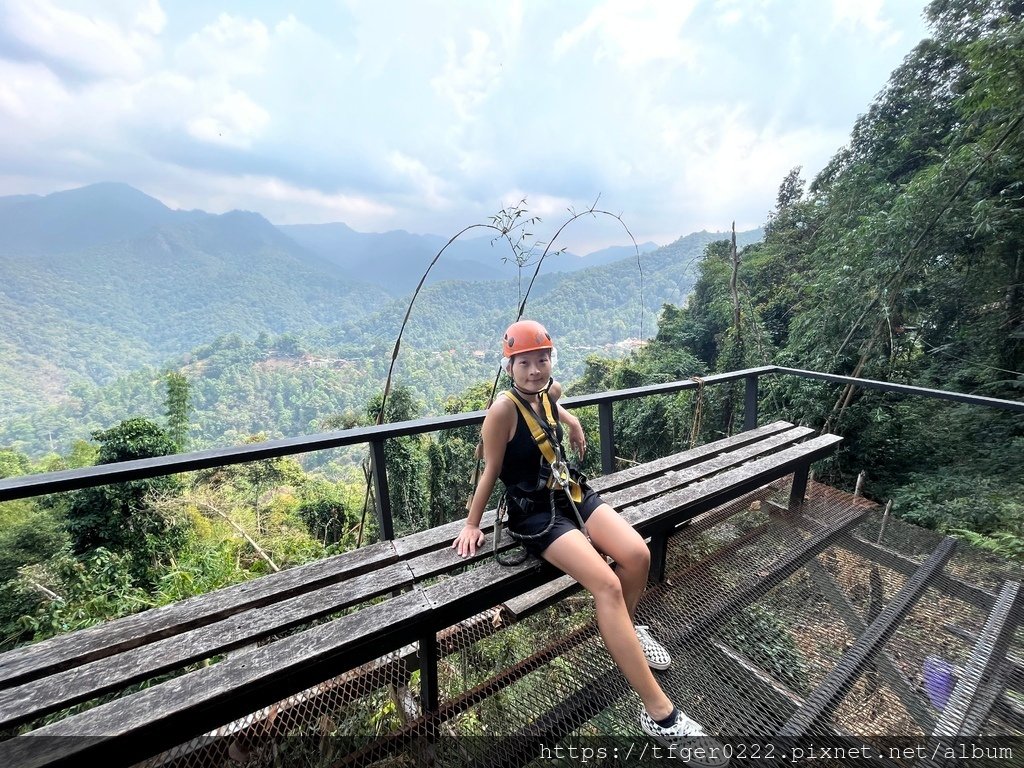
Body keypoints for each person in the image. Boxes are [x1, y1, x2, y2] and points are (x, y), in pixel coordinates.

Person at [452, 319, 710, 747]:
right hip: (535, 513)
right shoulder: (502, 411)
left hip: (568, 491)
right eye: (525, 363)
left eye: (542, 359)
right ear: (509, 367)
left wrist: (571, 422)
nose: (535, 369)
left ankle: (624, 629)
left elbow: (553, 404)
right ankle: (659, 714)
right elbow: (490, 470)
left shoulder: (548, 391)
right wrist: (471, 523)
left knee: (637, 555)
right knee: (607, 584)